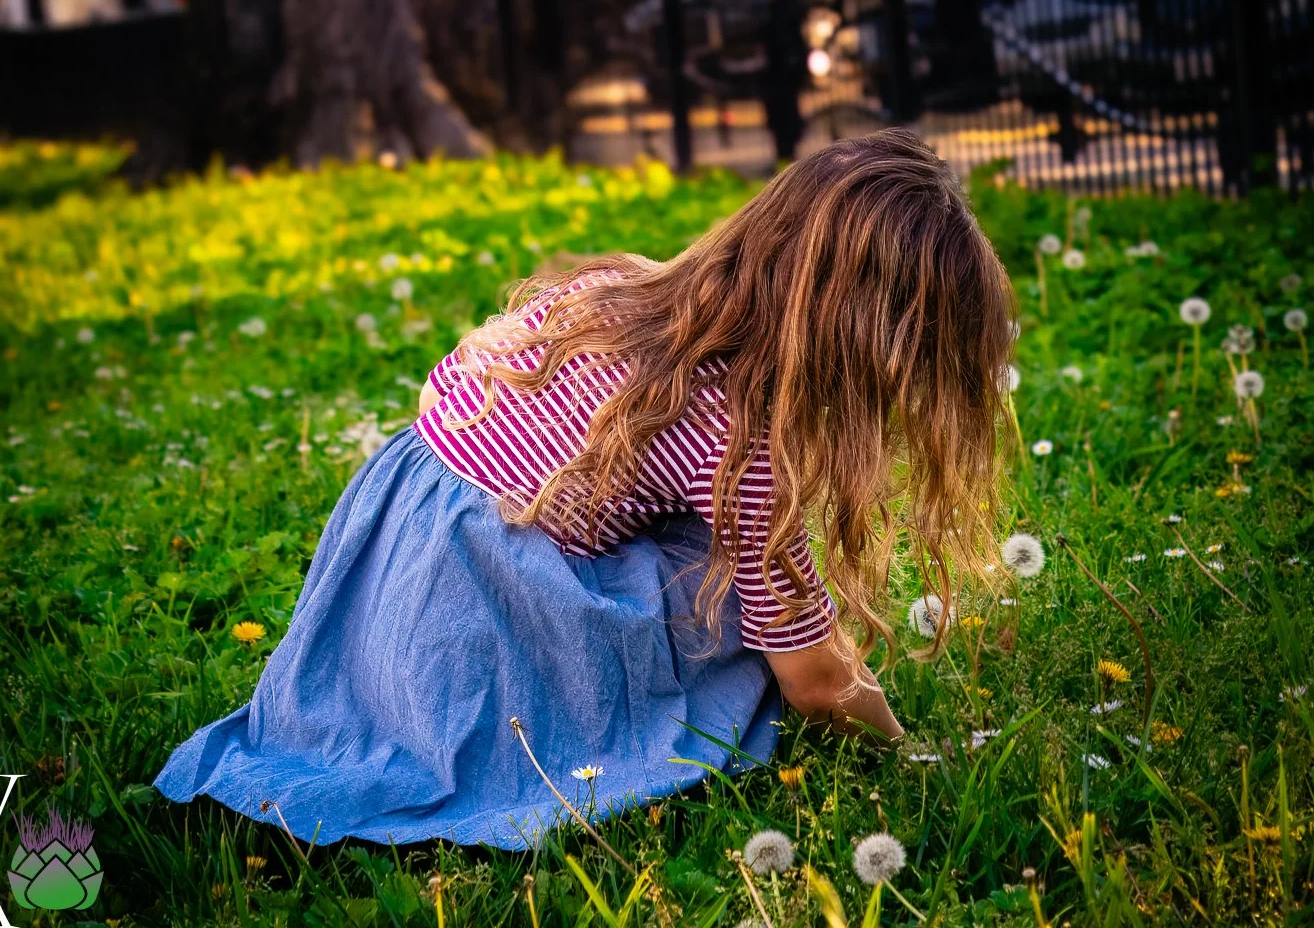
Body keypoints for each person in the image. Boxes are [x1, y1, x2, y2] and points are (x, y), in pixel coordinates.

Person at [153, 128, 1015, 851]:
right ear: (868, 347)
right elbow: (817, 680)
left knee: (683, 542)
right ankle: (547, 736)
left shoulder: (620, 290)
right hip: (471, 620)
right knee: (721, 601)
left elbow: (441, 390)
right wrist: (909, 747)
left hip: (389, 551)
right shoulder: (742, 446)